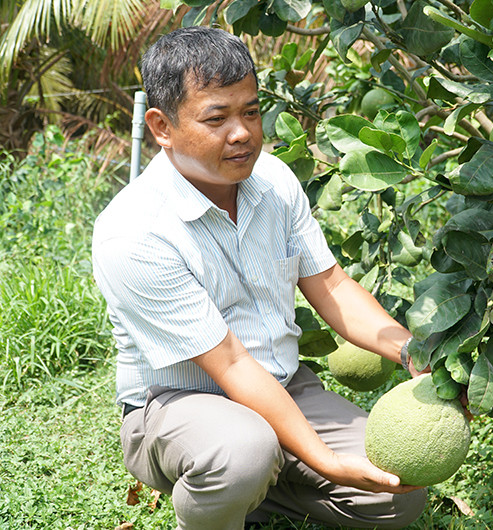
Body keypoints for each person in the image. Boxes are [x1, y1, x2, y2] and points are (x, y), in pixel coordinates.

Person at [92, 26, 428, 530]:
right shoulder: (134, 233)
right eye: (217, 118)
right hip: (180, 404)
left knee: (397, 495)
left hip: (283, 386)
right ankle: (226, 491)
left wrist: (412, 351)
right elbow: (229, 363)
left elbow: (331, 285)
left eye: (250, 111)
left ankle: (257, 488)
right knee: (242, 451)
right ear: (162, 127)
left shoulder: (272, 181)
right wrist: (326, 461)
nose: (243, 132)